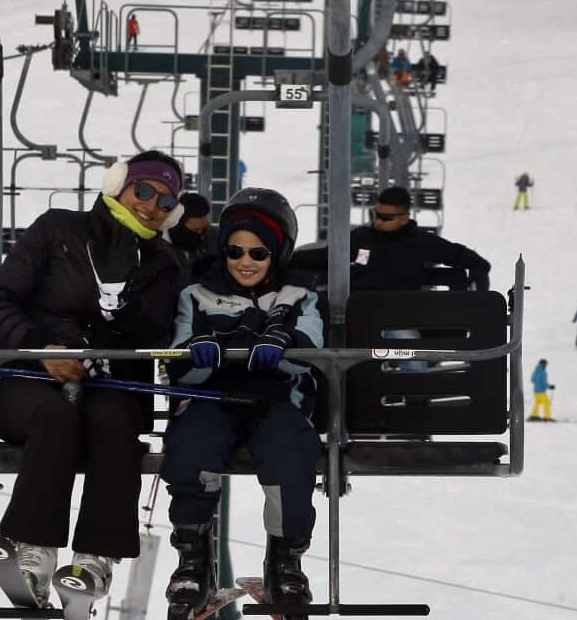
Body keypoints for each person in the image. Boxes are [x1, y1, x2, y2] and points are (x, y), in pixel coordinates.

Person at [0, 150, 186, 607]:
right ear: (119, 184)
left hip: (111, 385)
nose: (151, 205)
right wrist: (41, 348)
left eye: (165, 201)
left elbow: (154, 331)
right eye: (145, 190)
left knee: (114, 424)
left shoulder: (163, 262)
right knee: (54, 417)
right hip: (29, 377)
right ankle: (32, 552)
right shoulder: (57, 230)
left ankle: (95, 558)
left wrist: (122, 301)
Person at [160, 188, 323, 618]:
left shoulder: (298, 295)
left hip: (276, 401)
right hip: (210, 398)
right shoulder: (197, 293)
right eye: (234, 251)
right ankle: (192, 557)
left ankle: (285, 558)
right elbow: (178, 359)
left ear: (278, 253)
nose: (245, 261)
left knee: (292, 451)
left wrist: (283, 346)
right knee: (190, 445)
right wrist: (199, 355)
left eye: (258, 252)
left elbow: (311, 351)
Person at [349, 186, 491, 291]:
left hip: (400, 318)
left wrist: (478, 286)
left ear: (404, 218)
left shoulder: (419, 242)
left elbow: (474, 261)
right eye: (375, 215)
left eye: (386, 218)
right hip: (361, 314)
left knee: (403, 333)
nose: (378, 221)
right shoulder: (362, 238)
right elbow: (329, 260)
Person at [167, 192, 219, 284]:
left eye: (203, 229)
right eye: (195, 230)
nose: (200, 234)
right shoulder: (163, 247)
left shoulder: (214, 237)